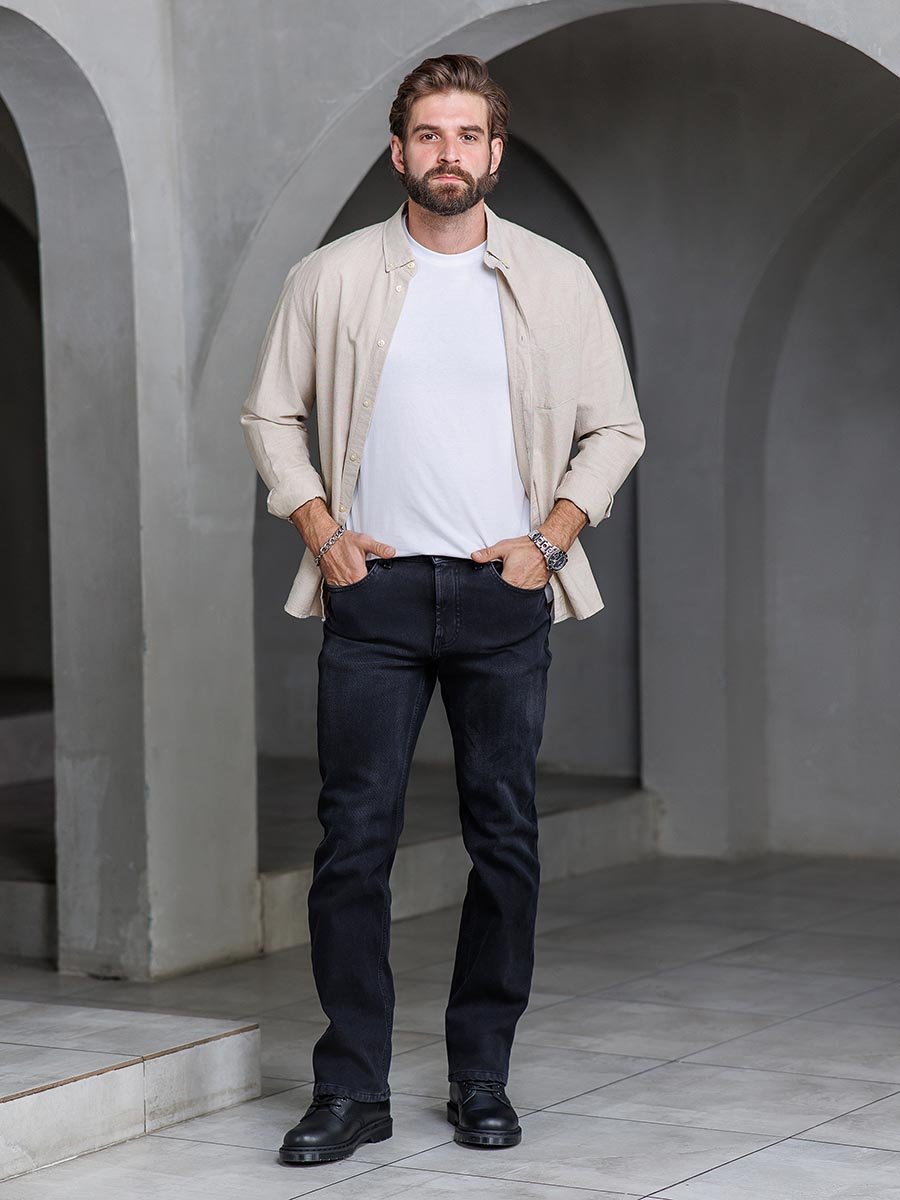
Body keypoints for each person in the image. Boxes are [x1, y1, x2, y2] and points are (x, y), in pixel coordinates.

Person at [240, 53, 645, 1166]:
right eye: (429, 134)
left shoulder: (557, 278)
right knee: (352, 846)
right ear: (398, 151)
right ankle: (350, 1089)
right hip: (370, 591)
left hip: (501, 591)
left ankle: (481, 1077)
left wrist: (549, 541)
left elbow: (616, 427)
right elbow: (269, 415)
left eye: (468, 135)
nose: (448, 153)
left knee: (504, 841)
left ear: (496, 152)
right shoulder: (329, 277)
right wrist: (319, 527)